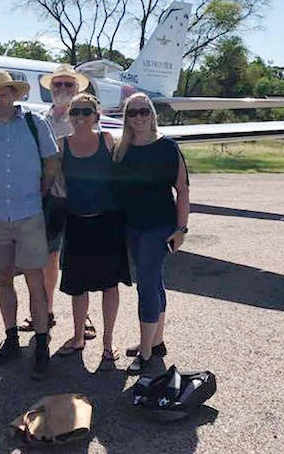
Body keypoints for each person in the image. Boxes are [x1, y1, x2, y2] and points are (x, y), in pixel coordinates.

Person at [0, 70, 59, 380]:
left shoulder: (35, 123)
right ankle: (11, 338)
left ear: (13, 94)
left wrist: (38, 193)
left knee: (35, 278)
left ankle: (42, 343)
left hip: (30, 210)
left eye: (3, 93)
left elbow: (51, 164)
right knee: (3, 277)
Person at [112, 93, 190, 375]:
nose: (139, 117)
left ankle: (145, 354)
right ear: (127, 118)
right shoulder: (121, 149)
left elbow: (182, 190)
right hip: (132, 225)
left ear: (152, 114)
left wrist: (181, 228)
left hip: (159, 227)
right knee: (154, 281)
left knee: (146, 284)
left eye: (144, 111)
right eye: (133, 113)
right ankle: (156, 342)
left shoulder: (168, 147)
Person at [19, 64, 97, 341]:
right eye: (57, 85)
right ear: (50, 89)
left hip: (79, 199)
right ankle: (46, 311)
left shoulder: (86, 119)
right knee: (48, 257)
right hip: (48, 198)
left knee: (80, 258)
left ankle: (83, 315)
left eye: (68, 85)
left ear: (77, 89)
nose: (62, 89)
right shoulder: (38, 120)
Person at [55, 93, 130, 364]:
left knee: (110, 286)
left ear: (96, 115)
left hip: (107, 222)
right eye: (75, 112)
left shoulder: (107, 140)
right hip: (76, 222)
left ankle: (108, 343)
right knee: (78, 286)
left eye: (86, 112)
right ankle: (78, 337)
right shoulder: (62, 145)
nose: (80, 117)